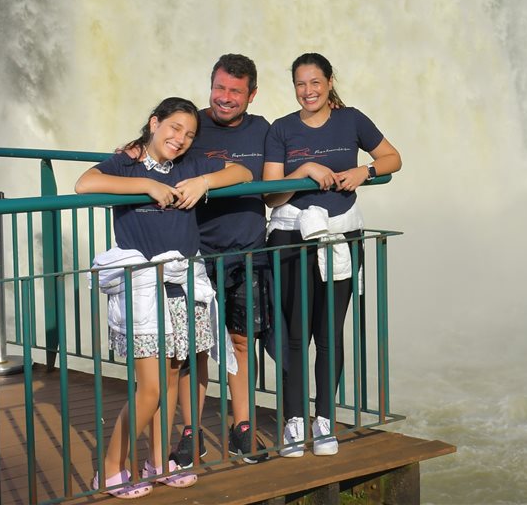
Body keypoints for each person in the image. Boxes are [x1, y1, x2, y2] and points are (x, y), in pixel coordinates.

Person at [77, 97, 251, 499]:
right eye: (174, 128)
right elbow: (85, 183)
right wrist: (146, 185)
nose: (180, 139)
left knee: (172, 378)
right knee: (151, 388)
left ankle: (158, 461)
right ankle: (110, 469)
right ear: (154, 123)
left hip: (182, 284)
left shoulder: (190, 165)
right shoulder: (127, 163)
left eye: (189, 134)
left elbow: (241, 171)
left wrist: (204, 182)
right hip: (142, 288)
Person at [263, 53, 400, 457]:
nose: (308, 91)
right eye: (301, 84)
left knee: (328, 333)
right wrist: (303, 168)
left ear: (329, 82)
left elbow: (393, 157)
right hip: (291, 237)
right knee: (293, 335)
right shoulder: (281, 129)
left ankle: (324, 421)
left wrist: (365, 172)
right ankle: (293, 421)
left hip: (341, 235)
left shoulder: (352, 119)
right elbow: (270, 194)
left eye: (315, 83)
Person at [171, 54, 272, 467]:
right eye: (219, 87)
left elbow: (265, 172)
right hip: (195, 252)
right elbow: (155, 148)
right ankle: (190, 434)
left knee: (241, 342)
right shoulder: (190, 125)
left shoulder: (264, 129)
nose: (225, 98)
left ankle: (241, 427)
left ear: (251, 94)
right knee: (192, 347)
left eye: (235, 91)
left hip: (247, 251)